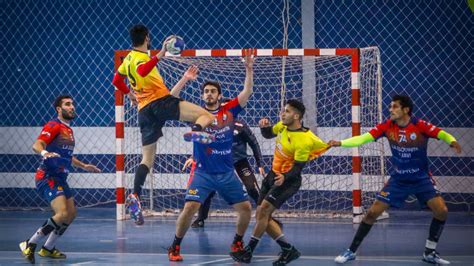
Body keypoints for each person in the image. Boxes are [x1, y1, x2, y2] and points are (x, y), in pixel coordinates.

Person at [331, 95, 462, 265]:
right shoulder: (387, 126)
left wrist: (452, 141)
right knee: (371, 213)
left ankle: (429, 252)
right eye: (390, 106)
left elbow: (441, 133)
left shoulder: (419, 125)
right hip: (398, 180)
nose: (390, 110)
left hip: (421, 178)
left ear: (405, 109)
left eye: (394, 107)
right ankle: (351, 251)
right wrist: (340, 143)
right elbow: (363, 138)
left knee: (442, 211)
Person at [111, 24, 215, 225]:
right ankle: (195, 131)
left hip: (144, 111)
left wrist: (130, 95)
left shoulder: (128, 59)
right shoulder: (141, 58)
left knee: (147, 160)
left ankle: (135, 195)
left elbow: (116, 80)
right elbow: (142, 71)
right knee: (205, 116)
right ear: (147, 38)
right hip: (160, 102)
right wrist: (160, 54)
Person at [166, 49, 255, 261]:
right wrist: (185, 79)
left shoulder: (230, 111)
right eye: (206, 91)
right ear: (202, 95)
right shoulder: (195, 112)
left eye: (213, 91)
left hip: (226, 172)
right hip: (203, 172)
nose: (209, 94)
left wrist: (249, 69)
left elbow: (247, 92)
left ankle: (237, 242)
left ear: (219, 95)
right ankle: (175, 246)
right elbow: (170, 100)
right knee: (190, 208)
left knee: (245, 209)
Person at [231, 99, 330, 266]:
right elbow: (269, 134)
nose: (282, 113)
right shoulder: (283, 126)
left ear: (297, 116)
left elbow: (298, 168)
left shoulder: (305, 139)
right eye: (283, 110)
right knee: (262, 216)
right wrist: (264, 127)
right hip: (272, 176)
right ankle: (288, 249)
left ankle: (248, 251)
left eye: (287, 111)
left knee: (263, 213)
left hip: (287, 181)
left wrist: (285, 177)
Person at [19, 95, 101, 264]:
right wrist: (44, 153)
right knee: (62, 214)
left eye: (73, 104)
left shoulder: (69, 131)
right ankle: (30, 243)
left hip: (61, 178)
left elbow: (68, 156)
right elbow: (37, 144)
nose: (72, 107)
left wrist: (84, 166)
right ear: (59, 109)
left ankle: (48, 248)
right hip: (47, 176)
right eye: (68, 104)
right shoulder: (53, 125)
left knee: (71, 215)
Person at [184, 116, 265, 228]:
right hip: (220, 162)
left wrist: (260, 163)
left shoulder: (240, 126)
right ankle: (201, 219)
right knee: (209, 191)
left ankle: (266, 215)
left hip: (240, 161)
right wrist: (193, 157)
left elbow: (254, 143)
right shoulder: (213, 127)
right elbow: (205, 144)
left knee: (252, 188)